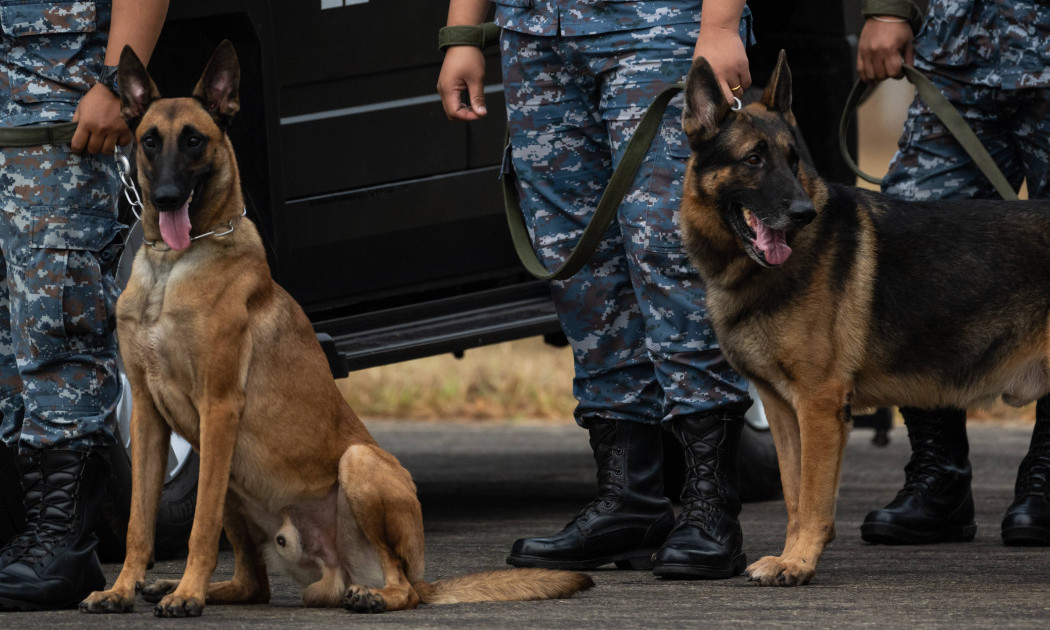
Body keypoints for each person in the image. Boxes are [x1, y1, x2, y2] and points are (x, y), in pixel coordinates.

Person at [437, 0, 755, 578]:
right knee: (579, 265)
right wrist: (463, 32)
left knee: (670, 251)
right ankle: (628, 502)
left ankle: (711, 505)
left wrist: (721, 25)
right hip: (536, 34)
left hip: (655, 28)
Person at [856, 0, 1050, 546]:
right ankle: (938, 477)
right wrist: (890, 10)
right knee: (910, 257)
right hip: (961, 48)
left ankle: (1047, 477)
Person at [0, 0, 170, 611]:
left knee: (60, 334)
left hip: (61, 134)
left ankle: (64, 546)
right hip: (9, 135)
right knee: (9, 352)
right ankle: (26, 536)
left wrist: (112, 82)